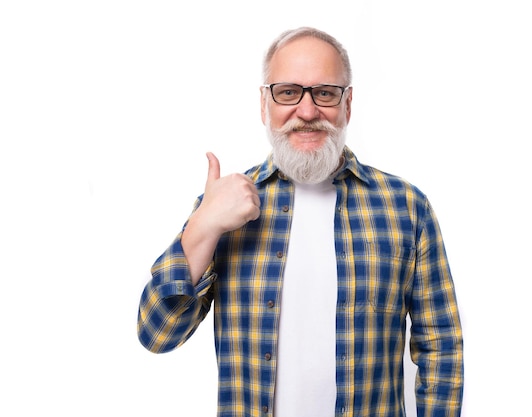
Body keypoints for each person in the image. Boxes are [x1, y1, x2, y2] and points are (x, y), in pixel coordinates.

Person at [137, 26, 464, 417]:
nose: (307, 112)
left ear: (347, 105)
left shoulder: (406, 208)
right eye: (288, 92)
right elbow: (157, 334)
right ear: (264, 104)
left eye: (324, 93)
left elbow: (441, 345)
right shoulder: (223, 207)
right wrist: (203, 226)